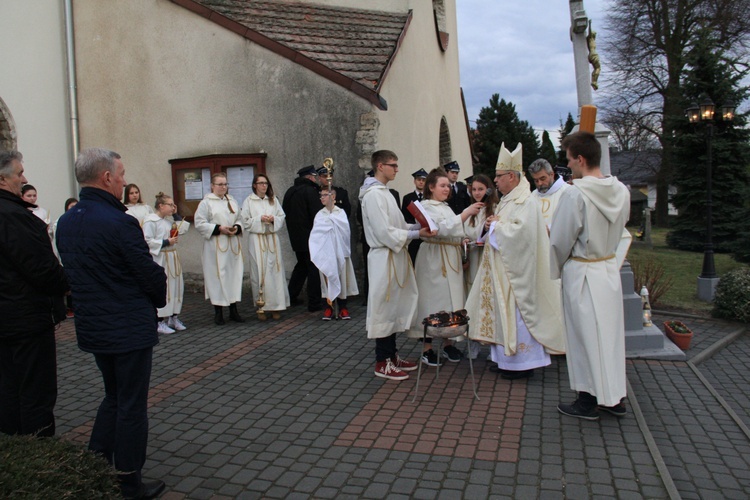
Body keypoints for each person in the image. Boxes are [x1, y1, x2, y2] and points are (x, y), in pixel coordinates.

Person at [56, 148, 166, 499]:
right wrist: (159, 287)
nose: (123, 181)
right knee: (131, 405)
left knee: (114, 397)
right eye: (120, 175)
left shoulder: (67, 221)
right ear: (106, 178)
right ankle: (128, 480)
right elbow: (146, 273)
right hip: (128, 328)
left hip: (94, 326)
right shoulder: (120, 222)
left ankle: (95, 465)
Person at [465, 143, 566, 380]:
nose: (495, 181)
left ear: (511, 176)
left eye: (499, 177)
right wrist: (491, 225)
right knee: (504, 315)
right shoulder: (511, 198)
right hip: (503, 270)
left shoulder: (525, 201)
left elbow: (522, 235)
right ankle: (504, 360)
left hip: (517, 273)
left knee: (518, 317)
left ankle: (522, 363)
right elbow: (503, 226)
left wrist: (497, 226)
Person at [550, 131, 631, 420]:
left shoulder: (575, 194)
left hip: (582, 270)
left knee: (583, 337)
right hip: (608, 270)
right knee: (608, 337)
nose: (568, 165)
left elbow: (560, 239)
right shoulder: (621, 190)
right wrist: (610, 258)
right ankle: (614, 398)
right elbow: (623, 231)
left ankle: (587, 400)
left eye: (570, 159)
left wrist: (556, 264)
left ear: (581, 159)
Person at [0, 150, 69, 438]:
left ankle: (13, 448)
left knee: (7, 387)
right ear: (3, 179)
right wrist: (66, 282)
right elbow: (42, 270)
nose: (24, 179)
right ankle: (38, 453)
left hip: (8, 317)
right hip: (24, 319)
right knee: (33, 391)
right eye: (19, 173)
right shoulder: (14, 217)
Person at [360, 150, 434, 380]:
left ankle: (392, 355)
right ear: (380, 166)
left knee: (392, 306)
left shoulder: (386, 193)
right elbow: (384, 232)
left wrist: (419, 227)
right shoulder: (373, 195)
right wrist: (415, 234)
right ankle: (382, 362)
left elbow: (400, 224)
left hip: (395, 255)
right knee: (384, 306)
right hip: (384, 257)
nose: (397, 169)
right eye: (393, 165)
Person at [408, 168, 482, 366]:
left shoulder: (446, 207)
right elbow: (439, 229)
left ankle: (449, 343)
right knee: (430, 301)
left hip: (451, 256)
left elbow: (454, 229)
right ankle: (427, 349)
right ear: (431, 187)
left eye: (448, 186)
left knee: (451, 301)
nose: (447, 189)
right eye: (442, 185)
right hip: (433, 257)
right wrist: (465, 214)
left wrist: (464, 241)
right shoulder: (425, 206)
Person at [194, 172, 245, 325]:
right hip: (215, 246)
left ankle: (233, 309)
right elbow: (199, 223)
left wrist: (237, 227)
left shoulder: (232, 200)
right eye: (220, 184)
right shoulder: (206, 203)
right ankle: (218, 312)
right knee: (217, 277)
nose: (223, 187)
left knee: (233, 276)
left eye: (225, 184)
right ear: (212, 186)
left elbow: (240, 218)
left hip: (232, 244)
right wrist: (219, 228)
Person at [241, 174, 289, 321]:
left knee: (275, 272)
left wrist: (273, 219)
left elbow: (281, 216)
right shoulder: (249, 201)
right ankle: (261, 306)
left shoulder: (273, 200)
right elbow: (244, 220)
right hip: (257, 239)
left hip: (272, 238)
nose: (264, 186)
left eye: (266, 183)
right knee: (260, 272)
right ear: (254, 185)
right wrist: (259, 219)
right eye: (261, 183)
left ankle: (276, 305)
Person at [143, 192, 190, 334]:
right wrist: (165, 242)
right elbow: (147, 241)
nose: (172, 207)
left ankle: (173, 317)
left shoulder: (169, 221)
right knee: (165, 288)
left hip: (172, 258)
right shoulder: (150, 221)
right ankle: (159, 321)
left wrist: (176, 215)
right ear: (161, 206)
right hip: (160, 258)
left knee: (176, 287)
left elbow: (182, 229)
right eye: (170, 205)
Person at [310, 186, 358, 320]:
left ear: (333, 197)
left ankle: (343, 307)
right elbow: (316, 233)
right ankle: (328, 307)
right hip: (326, 253)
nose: (322, 198)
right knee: (327, 279)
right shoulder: (320, 214)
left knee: (341, 278)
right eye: (321, 195)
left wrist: (333, 221)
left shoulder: (340, 213)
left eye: (325, 195)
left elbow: (344, 230)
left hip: (339, 251)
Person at [356, 169, 401, 306]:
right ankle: (368, 296)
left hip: (393, 240)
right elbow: (362, 216)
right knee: (376, 278)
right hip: (376, 241)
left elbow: (396, 217)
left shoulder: (391, 193)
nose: (396, 169)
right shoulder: (372, 194)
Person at [283, 165, 323, 312]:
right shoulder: (310, 191)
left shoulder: (290, 191)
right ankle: (314, 302)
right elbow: (317, 215)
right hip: (310, 237)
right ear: (310, 177)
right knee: (313, 268)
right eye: (315, 177)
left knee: (301, 266)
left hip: (296, 237)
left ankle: (291, 295)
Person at [528, 158, 570, 231]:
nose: (539, 183)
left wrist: (550, 230)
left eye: (543, 178)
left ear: (551, 174)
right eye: (536, 180)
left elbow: (570, 220)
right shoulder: (533, 195)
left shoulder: (567, 191)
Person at [400, 168, 428, 263]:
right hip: (414, 234)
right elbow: (405, 216)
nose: (421, 182)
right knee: (413, 259)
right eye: (419, 180)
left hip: (427, 233)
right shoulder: (408, 198)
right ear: (414, 181)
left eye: (423, 180)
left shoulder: (428, 198)